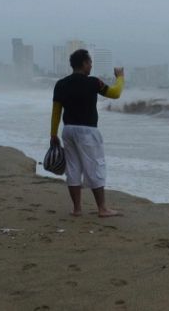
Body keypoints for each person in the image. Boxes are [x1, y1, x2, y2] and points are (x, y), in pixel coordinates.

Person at [50, 49, 125, 217]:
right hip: (88, 131)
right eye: (90, 62)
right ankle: (102, 209)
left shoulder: (60, 84)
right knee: (95, 166)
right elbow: (115, 93)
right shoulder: (93, 82)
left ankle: (77, 209)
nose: (91, 65)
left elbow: (56, 111)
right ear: (84, 63)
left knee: (73, 168)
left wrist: (53, 134)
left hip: (68, 130)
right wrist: (120, 77)